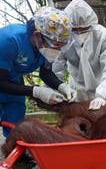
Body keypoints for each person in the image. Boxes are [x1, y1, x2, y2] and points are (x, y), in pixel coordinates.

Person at [0, 7, 77, 137]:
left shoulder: (44, 46)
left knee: (15, 124)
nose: (56, 50)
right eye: (54, 45)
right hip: (2, 80)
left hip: (13, 81)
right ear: (37, 35)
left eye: (60, 45)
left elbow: (45, 73)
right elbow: (1, 82)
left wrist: (62, 87)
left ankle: (14, 151)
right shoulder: (9, 40)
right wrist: (35, 91)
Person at [52, 0, 106, 110]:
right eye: (75, 30)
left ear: (91, 24)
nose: (79, 33)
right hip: (76, 93)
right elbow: (57, 70)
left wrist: (103, 95)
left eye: (83, 29)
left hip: (103, 91)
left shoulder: (104, 36)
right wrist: (55, 90)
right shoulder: (64, 39)